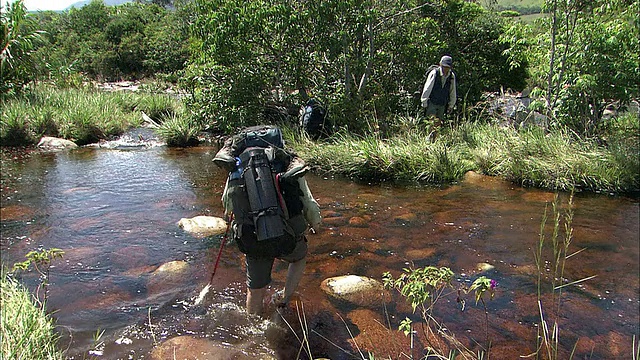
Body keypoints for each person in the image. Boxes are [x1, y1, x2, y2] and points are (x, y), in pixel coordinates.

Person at [214, 126, 321, 316]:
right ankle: (284, 299)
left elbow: (227, 204)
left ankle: (253, 322)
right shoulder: (286, 164)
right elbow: (309, 204)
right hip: (288, 234)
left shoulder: (238, 168)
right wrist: (315, 225)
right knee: (299, 257)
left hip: (253, 236)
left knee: (255, 288)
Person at [420, 55, 457, 138]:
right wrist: (424, 101)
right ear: (440, 64)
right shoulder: (434, 73)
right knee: (431, 122)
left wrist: (451, 105)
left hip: (442, 103)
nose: (445, 69)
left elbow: (452, 91)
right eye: (444, 66)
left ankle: (435, 141)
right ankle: (428, 141)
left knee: (438, 124)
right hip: (432, 102)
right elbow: (427, 88)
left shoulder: (451, 76)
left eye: (447, 67)